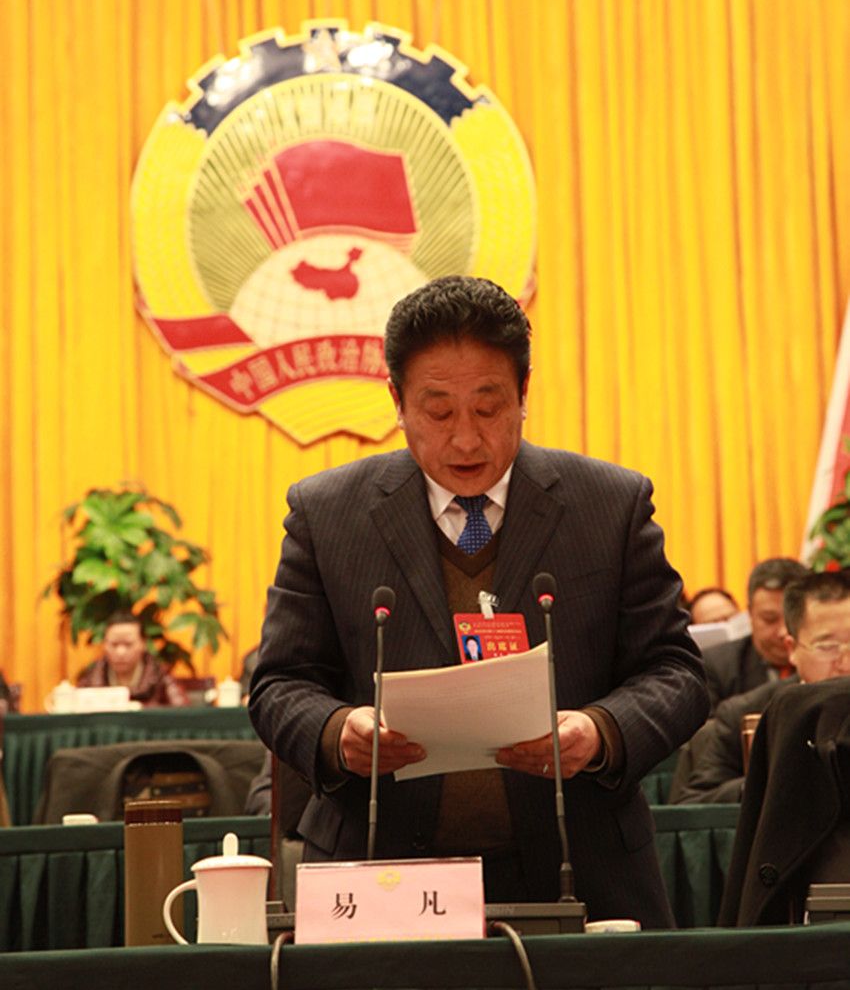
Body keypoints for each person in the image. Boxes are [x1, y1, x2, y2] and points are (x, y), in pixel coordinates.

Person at [249, 276, 708, 927]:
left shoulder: (610, 505)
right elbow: (279, 684)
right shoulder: (327, 514)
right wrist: (336, 732)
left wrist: (600, 730)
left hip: (581, 870)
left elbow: (677, 672)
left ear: (524, 393)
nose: (465, 440)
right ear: (397, 401)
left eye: (488, 408)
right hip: (384, 877)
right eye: (438, 412)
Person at [677, 569, 850, 804]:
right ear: (792, 649)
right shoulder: (745, 714)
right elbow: (692, 805)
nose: (845, 663)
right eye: (828, 647)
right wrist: (766, 784)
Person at [701, 558, 807, 711]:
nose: (784, 631)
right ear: (749, 614)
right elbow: (708, 725)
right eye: (770, 619)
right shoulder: (715, 666)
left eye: (793, 617)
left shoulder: (836, 661)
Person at [76, 611, 189, 707]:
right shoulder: (92, 678)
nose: (120, 652)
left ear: (143, 644)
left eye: (128, 644)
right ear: (104, 645)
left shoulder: (160, 676)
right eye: (114, 644)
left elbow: (181, 714)